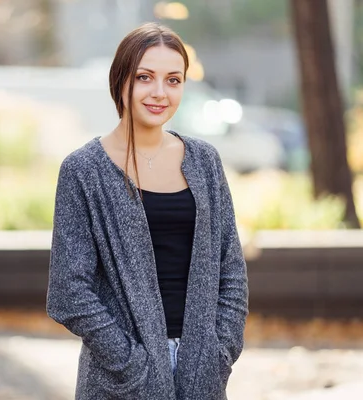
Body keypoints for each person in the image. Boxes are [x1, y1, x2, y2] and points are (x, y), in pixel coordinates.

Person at [46, 22, 249, 400]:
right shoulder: (83, 171)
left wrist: (220, 352)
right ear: (120, 80)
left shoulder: (205, 161)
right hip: (120, 380)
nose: (160, 92)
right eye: (145, 77)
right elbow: (67, 292)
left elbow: (231, 269)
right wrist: (131, 363)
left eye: (173, 80)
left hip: (202, 372)